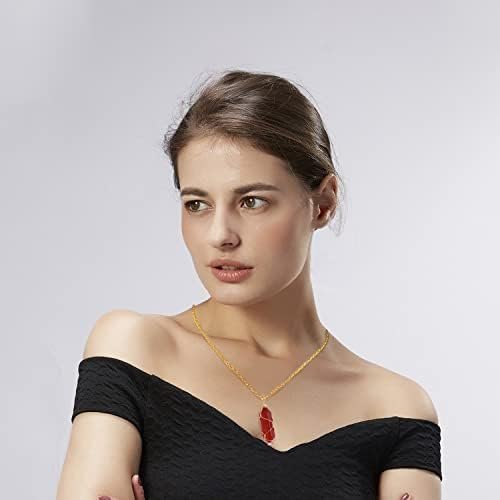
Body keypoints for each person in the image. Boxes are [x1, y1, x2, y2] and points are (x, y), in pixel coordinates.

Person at [56, 69, 442, 499]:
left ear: (323, 203)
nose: (220, 234)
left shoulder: (395, 407)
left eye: (252, 201)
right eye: (197, 204)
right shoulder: (135, 347)